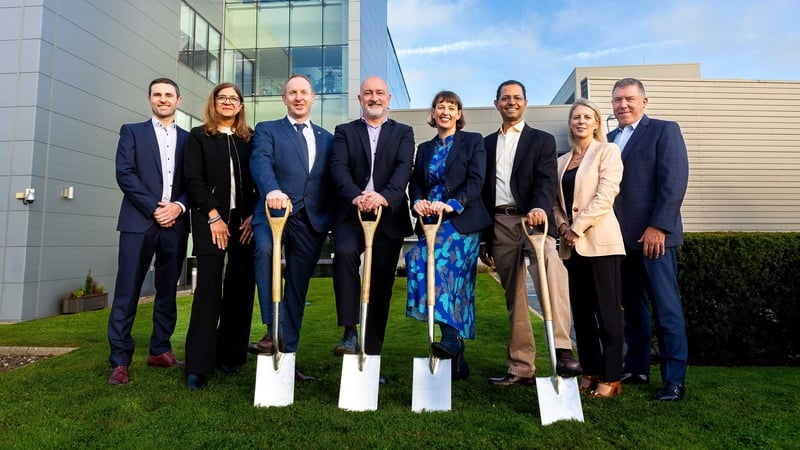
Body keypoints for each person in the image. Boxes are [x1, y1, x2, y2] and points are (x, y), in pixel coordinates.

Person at [480, 80, 582, 386]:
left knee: (551, 265)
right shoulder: (485, 145)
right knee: (516, 295)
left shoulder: (542, 140)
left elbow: (546, 180)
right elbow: (483, 192)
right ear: (496, 103)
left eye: (517, 97)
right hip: (499, 223)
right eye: (505, 98)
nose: (511, 102)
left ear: (525, 103)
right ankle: (522, 367)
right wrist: (486, 236)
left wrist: (539, 207)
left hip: (533, 220)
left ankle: (563, 349)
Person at [247, 74, 334, 382]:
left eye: (304, 92)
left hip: (310, 221)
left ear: (313, 98)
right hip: (273, 210)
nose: (298, 97)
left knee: (297, 287)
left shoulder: (327, 138)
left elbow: (329, 180)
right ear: (284, 99)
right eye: (292, 93)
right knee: (264, 251)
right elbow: (260, 162)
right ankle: (271, 331)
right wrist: (271, 189)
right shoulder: (268, 130)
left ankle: (288, 356)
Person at [609, 78, 690, 401]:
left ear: (644, 101)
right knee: (634, 309)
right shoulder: (609, 139)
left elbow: (674, 181)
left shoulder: (664, 130)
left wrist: (660, 226)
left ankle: (674, 379)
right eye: (617, 100)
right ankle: (637, 365)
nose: (623, 105)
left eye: (629, 98)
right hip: (620, 240)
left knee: (667, 309)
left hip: (655, 238)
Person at [107, 78, 190, 385]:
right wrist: (155, 208)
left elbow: (194, 180)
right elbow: (124, 174)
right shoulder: (131, 132)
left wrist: (178, 207)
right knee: (127, 291)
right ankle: (119, 360)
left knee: (167, 291)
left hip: (176, 225)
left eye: (169, 95)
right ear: (149, 99)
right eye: (157, 94)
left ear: (178, 101)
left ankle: (160, 350)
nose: (163, 99)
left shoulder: (188, 139)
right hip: (138, 222)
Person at [406, 91, 492, 381]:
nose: (445, 111)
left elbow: (476, 181)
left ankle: (451, 341)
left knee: (441, 269)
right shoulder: (425, 148)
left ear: (458, 114)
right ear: (432, 114)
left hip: (462, 220)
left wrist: (452, 204)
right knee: (417, 258)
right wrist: (417, 202)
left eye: (451, 107)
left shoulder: (473, 141)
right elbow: (416, 183)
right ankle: (456, 350)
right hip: (431, 221)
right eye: (439, 107)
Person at [329, 76, 415, 360]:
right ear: (360, 99)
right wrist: (356, 195)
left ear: (388, 98)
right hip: (351, 213)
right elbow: (338, 168)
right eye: (368, 93)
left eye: (380, 93)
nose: (374, 97)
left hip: (387, 215)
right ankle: (350, 331)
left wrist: (384, 196)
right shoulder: (344, 131)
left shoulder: (404, 132)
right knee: (343, 253)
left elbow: (404, 168)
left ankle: (372, 351)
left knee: (380, 283)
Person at [183, 83, 258, 390]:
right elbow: (193, 180)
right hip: (208, 222)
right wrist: (214, 215)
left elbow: (259, 178)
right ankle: (198, 366)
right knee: (208, 293)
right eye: (222, 98)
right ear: (213, 103)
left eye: (234, 99)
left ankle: (230, 358)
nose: (228, 103)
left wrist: (254, 215)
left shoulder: (249, 138)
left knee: (241, 291)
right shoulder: (198, 136)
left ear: (240, 106)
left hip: (245, 224)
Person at [554, 98, 625, 398]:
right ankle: (591, 370)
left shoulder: (607, 152)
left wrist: (576, 227)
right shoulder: (560, 162)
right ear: (570, 124)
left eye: (587, 117)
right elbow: (555, 202)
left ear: (596, 122)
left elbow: (606, 194)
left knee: (607, 314)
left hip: (601, 244)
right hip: (571, 248)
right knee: (581, 316)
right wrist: (561, 227)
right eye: (575, 117)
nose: (581, 121)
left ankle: (611, 376)